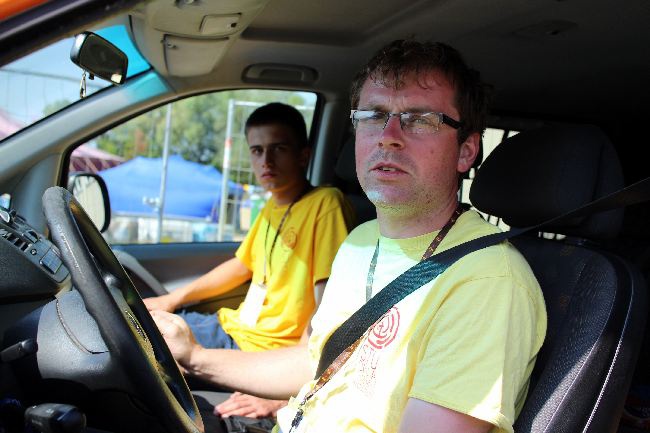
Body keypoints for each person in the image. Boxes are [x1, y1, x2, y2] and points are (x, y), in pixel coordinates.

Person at [152, 40, 547, 433]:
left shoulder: (488, 280)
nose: (388, 135)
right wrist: (194, 356)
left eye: (420, 118)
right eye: (374, 115)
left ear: (466, 151)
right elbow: (315, 362)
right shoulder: (361, 240)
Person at [145, 102, 355, 417]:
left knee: (138, 345)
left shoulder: (326, 205)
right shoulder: (273, 206)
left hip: (260, 351)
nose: (265, 161)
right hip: (231, 327)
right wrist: (171, 299)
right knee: (138, 322)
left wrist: (288, 389)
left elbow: (328, 308)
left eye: (278, 149)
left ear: (303, 155)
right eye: (256, 151)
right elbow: (241, 266)